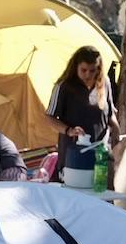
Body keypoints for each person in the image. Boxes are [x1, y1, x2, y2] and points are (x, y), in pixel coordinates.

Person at [46, 46, 120, 182]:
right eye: (83, 70)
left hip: (100, 155)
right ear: (76, 67)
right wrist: (68, 130)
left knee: (99, 194)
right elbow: (50, 117)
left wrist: (116, 130)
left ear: (99, 68)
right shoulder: (64, 86)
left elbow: (109, 114)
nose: (88, 75)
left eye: (92, 70)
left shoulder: (105, 84)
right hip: (74, 156)